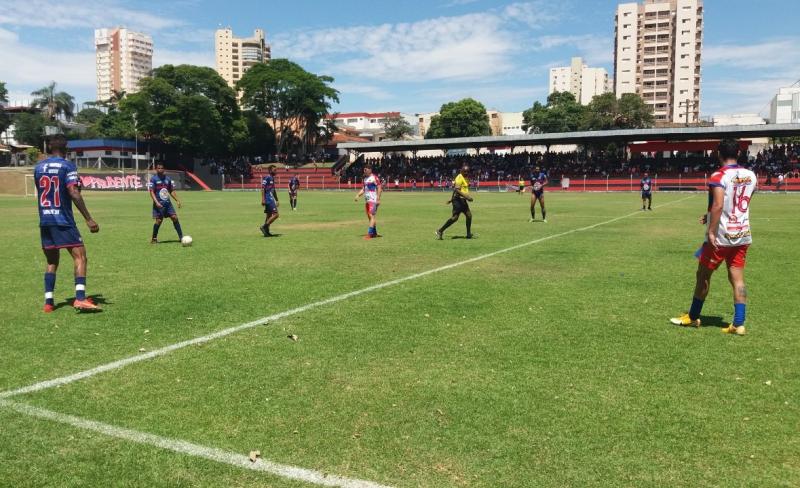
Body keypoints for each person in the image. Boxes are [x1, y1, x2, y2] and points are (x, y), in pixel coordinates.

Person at [670, 139, 757, 335]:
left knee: (703, 275)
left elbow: (718, 204)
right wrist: (709, 215)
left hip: (721, 236)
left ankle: (692, 317)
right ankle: (739, 323)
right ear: (739, 153)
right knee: (738, 279)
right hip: (742, 234)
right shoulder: (751, 175)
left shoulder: (719, 175)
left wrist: (711, 229)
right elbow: (740, 202)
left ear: (718, 154)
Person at [34, 134, 100, 312]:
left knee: (52, 261)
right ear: (65, 149)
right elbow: (73, 191)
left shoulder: (38, 167)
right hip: (62, 220)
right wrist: (88, 218)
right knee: (80, 256)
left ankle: (48, 302)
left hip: (45, 220)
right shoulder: (67, 165)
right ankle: (79, 298)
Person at [436, 164, 473, 240]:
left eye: (467, 171)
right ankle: (440, 230)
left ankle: (468, 234)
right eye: (465, 171)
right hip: (458, 200)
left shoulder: (465, 177)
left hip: (462, 200)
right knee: (455, 218)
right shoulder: (459, 178)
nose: (466, 173)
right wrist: (467, 197)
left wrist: (450, 199)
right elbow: (457, 190)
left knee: (469, 215)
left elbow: (457, 189)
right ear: (461, 171)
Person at [149, 163, 184, 244]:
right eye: (158, 168)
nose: (160, 169)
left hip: (168, 204)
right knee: (158, 221)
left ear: (164, 169)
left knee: (174, 217)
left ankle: (181, 237)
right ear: (156, 169)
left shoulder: (167, 179)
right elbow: (151, 192)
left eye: (161, 168)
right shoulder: (153, 179)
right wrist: (156, 202)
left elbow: (171, 190)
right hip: (159, 204)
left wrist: (177, 200)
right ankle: (154, 239)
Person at [354, 165, 382, 239]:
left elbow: (379, 187)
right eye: (364, 170)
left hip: (373, 200)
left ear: (370, 170)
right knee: (370, 217)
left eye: (365, 170)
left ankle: (369, 234)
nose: (364, 171)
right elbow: (364, 189)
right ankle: (374, 233)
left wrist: (378, 199)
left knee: (371, 216)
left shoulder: (374, 178)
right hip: (367, 200)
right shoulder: (365, 179)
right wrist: (358, 195)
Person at [260, 165, 279, 237]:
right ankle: (264, 226)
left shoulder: (272, 178)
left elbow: (273, 191)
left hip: (270, 198)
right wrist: (263, 199)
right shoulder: (267, 177)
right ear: (270, 170)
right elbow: (262, 188)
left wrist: (277, 200)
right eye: (274, 170)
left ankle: (266, 232)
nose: (276, 171)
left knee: (269, 215)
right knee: (276, 214)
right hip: (268, 198)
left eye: (276, 170)